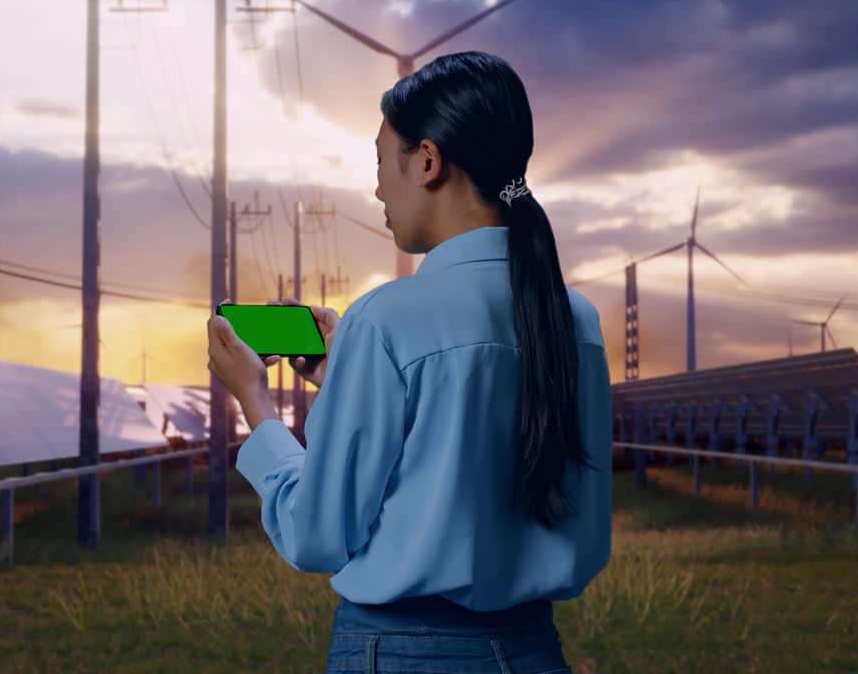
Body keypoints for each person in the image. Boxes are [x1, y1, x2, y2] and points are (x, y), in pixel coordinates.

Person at [206, 50, 612, 674]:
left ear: (427, 161)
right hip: (533, 651)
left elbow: (318, 536)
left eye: (380, 160)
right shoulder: (575, 320)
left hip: (400, 653)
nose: (376, 188)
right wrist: (350, 374)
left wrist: (255, 405)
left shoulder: (385, 319)